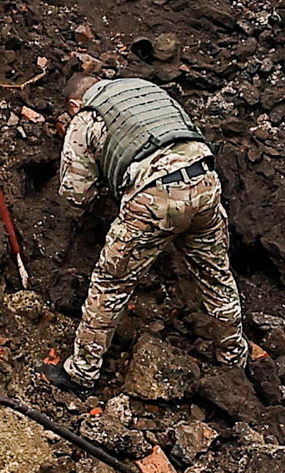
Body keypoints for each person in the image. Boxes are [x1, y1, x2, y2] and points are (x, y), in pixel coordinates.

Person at [51, 65, 246, 392]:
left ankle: (82, 373)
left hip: (154, 198)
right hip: (205, 181)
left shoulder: (85, 118)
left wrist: (105, 183)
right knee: (215, 275)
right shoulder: (144, 89)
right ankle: (233, 356)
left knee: (110, 284)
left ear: (74, 105)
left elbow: (75, 194)